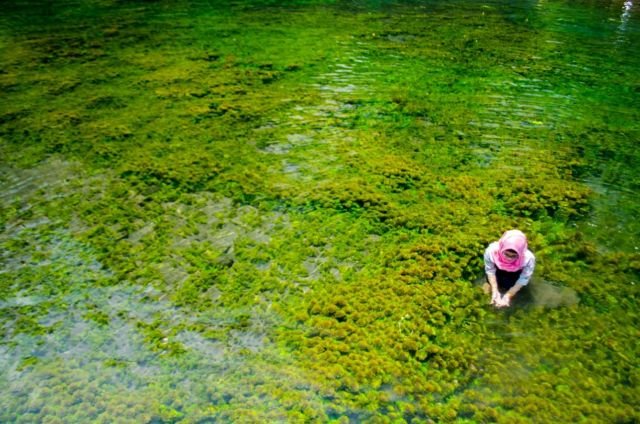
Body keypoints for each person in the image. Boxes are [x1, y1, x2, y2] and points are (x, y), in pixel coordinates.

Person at [484, 229, 535, 308]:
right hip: (497, 268)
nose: (509, 259)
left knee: (515, 292)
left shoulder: (528, 259)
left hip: (516, 272)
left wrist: (508, 295)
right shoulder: (491, 251)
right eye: (506, 254)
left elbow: (523, 279)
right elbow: (490, 270)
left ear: (521, 253)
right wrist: (494, 290)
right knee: (487, 289)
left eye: (514, 256)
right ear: (501, 248)